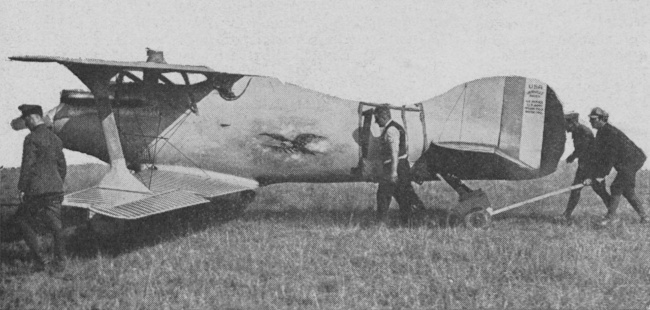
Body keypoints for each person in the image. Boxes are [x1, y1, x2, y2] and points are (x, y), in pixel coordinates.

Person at [13, 104, 67, 271]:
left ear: (31, 118)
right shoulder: (55, 139)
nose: (26, 124)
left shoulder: (31, 139)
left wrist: (22, 188)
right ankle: (60, 263)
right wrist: (56, 182)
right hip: (56, 190)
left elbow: (28, 165)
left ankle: (40, 261)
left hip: (37, 192)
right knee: (56, 226)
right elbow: (62, 166)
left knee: (22, 221)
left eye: (26, 120)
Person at [587, 107, 648, 225]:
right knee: (628, 191)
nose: (591, 122)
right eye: (590, 119)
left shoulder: (610, 132)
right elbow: (600, 156)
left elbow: (610, 156)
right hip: (626, 162)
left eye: (593, 119)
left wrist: (602, 175)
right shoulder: (601, 132)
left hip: (632, 160)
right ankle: (645, 217)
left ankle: (610, 218)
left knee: (616, 187)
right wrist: (594, 174)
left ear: (602, 119)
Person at [373, 106, 425, 225]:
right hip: (402, 166)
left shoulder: (391, 129)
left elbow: (394, 152)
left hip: (394, 166)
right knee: (403, 195)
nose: (376, 122)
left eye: (377, 118)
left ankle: (381, 223)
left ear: (384, 116)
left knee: (383, 195)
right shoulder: (397, 127)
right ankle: (409, 221)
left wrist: (393, 172)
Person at [562, 112, 611, 221]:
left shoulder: (583, 132)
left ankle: (612, 213)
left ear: (573, 123)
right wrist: (572, 156)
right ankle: (567, 214)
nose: (565, 128)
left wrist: (589, 175)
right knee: (575, 190)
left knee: (600, 190)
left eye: (566, 125)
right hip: (584, 165)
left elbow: (586, 152)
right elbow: (580, 149)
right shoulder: (576, 131)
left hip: (592, 166)